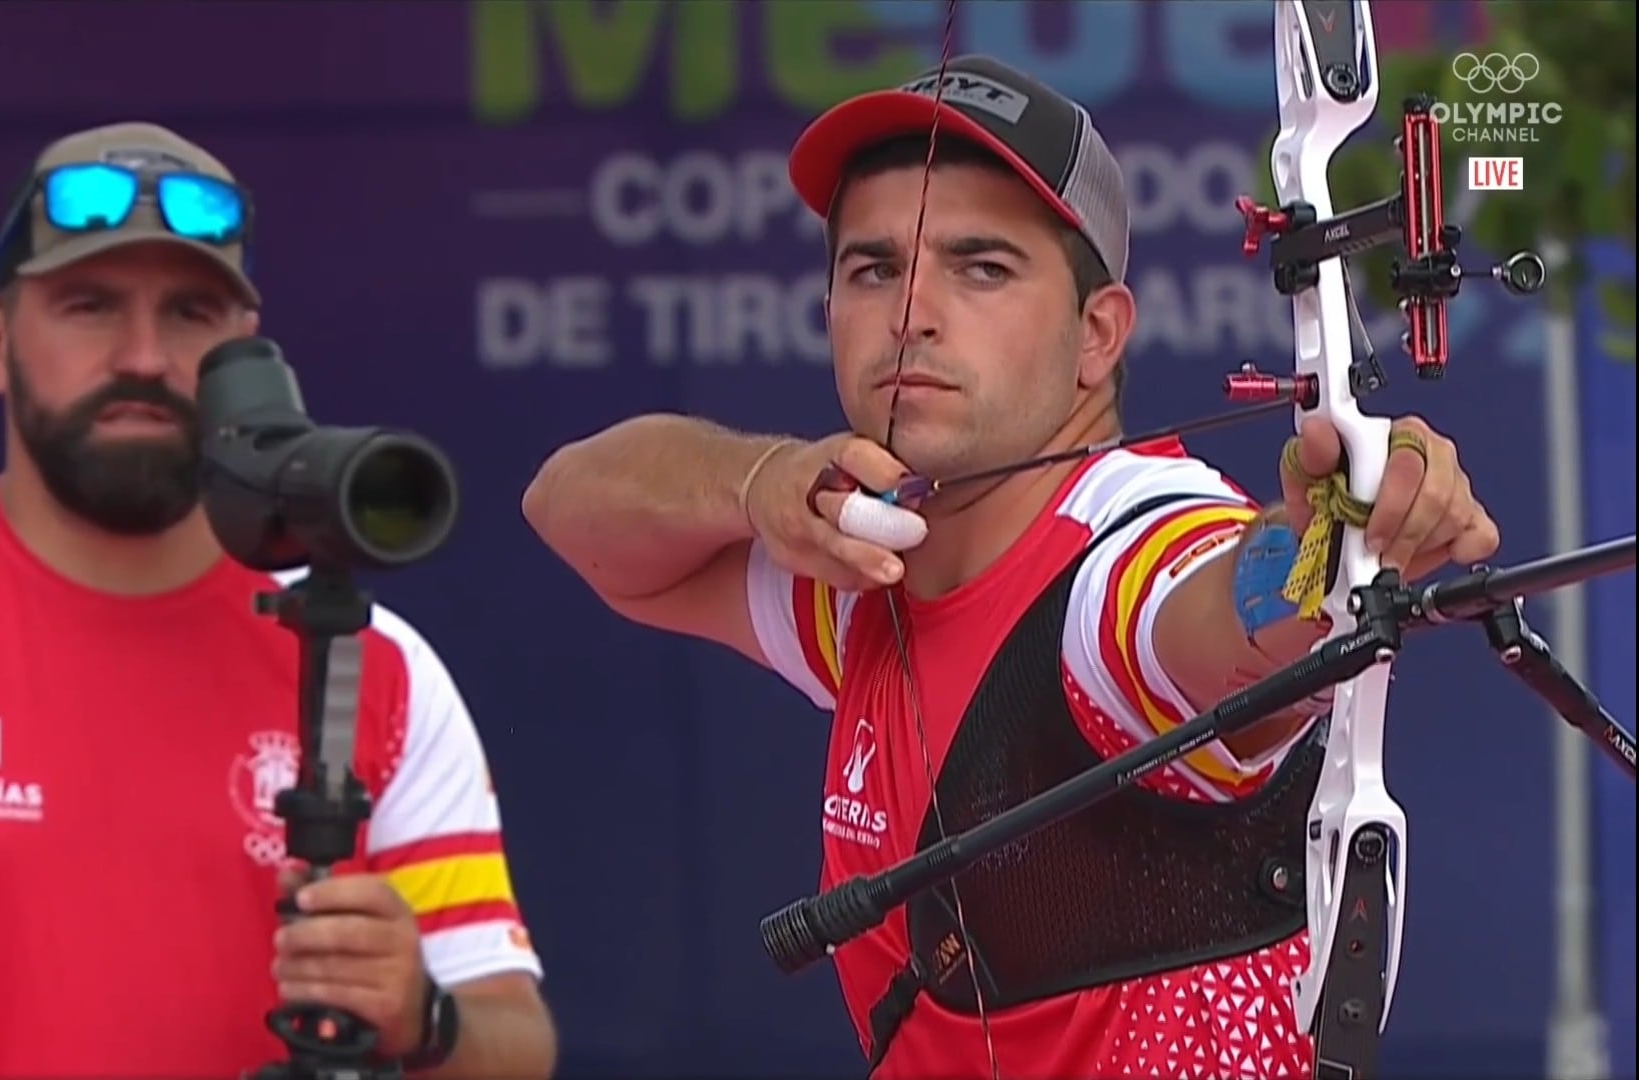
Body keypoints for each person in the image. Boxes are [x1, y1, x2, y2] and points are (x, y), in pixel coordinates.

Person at [523, 56, 1500, 1080]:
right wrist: (755, 478)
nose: (911, 311)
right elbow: (572, 507)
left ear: (1097, 336)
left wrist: (1334, 542)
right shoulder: (867, 573)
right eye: (871, 270)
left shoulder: (1120, 566)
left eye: (980, 267)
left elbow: (1213, 616)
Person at [0, 122, 555, 1080]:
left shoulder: (367, 663)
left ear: (245, 350)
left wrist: (427, 1017)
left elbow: (516, 1045)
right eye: (89, 304)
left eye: (193, 313)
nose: (146, 355)